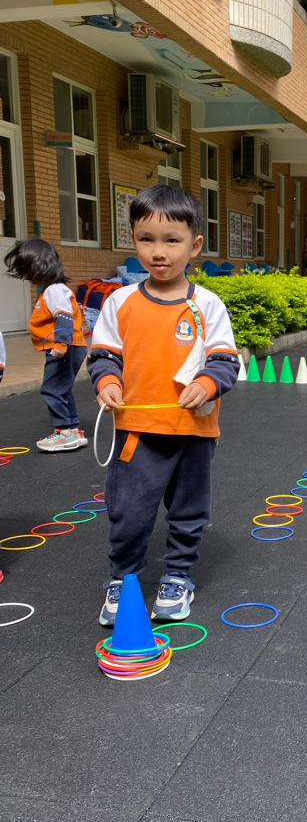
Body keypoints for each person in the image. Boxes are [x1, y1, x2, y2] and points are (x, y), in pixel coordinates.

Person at [87, 184, 239, 626]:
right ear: (133, 240)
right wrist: (107, 381)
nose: (158, 251)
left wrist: (208, 384)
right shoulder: (120, 302)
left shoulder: (207, 305)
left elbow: (225, 361)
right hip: (135, 432)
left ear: (195, 245)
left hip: (194, 432)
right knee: (128, 512)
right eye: (146, 239)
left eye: (172, 240)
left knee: (189, 511)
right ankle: (124, 578)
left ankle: (177, 577)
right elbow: (103, 356)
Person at [4, 238, 88, 453]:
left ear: (37, 267)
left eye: (27, 270)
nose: (28, 277)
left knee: (51, 390)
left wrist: (60, 344)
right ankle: (73, 429)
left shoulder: (54, 291)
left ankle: (64, 432)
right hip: (70, 347)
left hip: (64, 348)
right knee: (62, 388)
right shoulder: (54, 290)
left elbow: (64, 318)